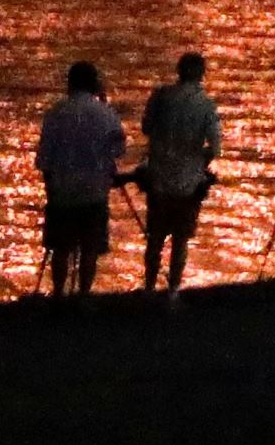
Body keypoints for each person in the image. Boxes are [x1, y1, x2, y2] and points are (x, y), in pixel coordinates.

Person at [34, 59, 127, 296]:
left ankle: (58, 294)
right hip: (94, 191)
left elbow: (44, 158)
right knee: (90, 247)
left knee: (61, 248)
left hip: (62, 190)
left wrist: (51, 187)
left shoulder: (55, 114)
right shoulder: (106, 115)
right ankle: (84, 295)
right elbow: (117, 151)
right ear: (94, 84)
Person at [135, 50, 221, 293]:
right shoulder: (206, 105)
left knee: (155, 237)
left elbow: (146, 128)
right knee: (180, 240)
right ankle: (173, 290)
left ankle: (149, 287)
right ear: (202, 74)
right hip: (189, 182)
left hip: (159, 176)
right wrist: (199, 153)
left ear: (178, 71)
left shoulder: (161, 96)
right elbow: (215, 147)